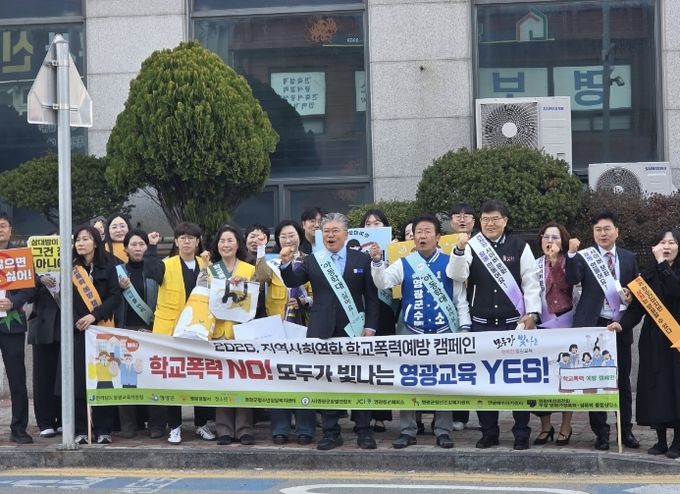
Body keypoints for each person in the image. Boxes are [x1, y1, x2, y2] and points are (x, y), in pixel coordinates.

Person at [370, 214, 471, 449]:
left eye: (427, 232)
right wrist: (377, 262)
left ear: (438, 237)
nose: (422, 236)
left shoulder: (450, 261)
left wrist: (464, 328)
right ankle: (408, 430)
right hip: (411, 331)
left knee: (443, 382)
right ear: (413, 237)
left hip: (444, 331)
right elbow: (383, 282)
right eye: (418, 232)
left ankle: (443, 430)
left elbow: (460, 298)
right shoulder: (404, 263)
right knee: (408, 381)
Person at [280, 212, 380, 451]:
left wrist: (370, 326)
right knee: (326, 380)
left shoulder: (361, 259)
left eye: (335, 231)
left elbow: (371, 297)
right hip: (322, 328)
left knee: (359, 379)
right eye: (326, 231)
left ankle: (363, 430)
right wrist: (285, 263)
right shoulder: (314, 260)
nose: (330, 235)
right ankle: (331, 432)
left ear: (346, 234)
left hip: (354, 329)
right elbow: (293, 281)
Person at [447, 199, 541, 450]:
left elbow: (531, 281)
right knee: (483, 381)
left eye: (495, 219)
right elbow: (457, 275)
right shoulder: (471, 245)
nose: (490, 224)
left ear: (505, 221)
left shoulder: (519, 246)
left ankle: (521, 432)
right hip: (481, 325)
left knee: (518, 380)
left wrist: (532, 313)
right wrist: (459, 249)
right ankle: (489, 432)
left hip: (513, 324)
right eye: (485, 219)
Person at [566, 210, 639, 451]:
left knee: (622, 382)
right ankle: (601, 433)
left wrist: (629, 298)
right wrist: (571, 254)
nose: (602, 233)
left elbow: (635, 291)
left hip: (619, 326)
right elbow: (572, 278)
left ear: (617, 231)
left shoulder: (628, 258)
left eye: (607, 229)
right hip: (593, 326)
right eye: (598, 230)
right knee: (594, 381)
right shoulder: (585, 256)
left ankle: (625, 430)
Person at [609, 227, 680, 458]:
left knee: (676, 388)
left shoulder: (670, 271)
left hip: (676, 340)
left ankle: (678, 441)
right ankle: (661, 440)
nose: (666, 247)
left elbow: (675, 290)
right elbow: (636, 310)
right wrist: (622, 325)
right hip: (652, 340)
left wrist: (662, 265)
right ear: (654, 247)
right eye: (662, 242)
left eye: (671, 242)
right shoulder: (646, 276)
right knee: (656, 388)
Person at [147, 222, 216, 445]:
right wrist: (151, 247)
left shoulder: (207, 266)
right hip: (171, 331)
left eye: (191, 238)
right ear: (176, 241)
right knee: (172, 378)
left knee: (200, 377)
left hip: (199, 330)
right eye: (182, 238)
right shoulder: (166, 264)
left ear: (198, 242)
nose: (187, 241)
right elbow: (151, 272)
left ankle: (201, 424)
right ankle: (175, 427)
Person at [255, 220, 315, 445]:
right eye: (283, 236)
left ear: (300, 236)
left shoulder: (311, 261)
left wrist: (305, 301)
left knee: (304, 377)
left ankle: (305, 428)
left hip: (303, 326)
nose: (288, 240)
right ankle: (280, 428)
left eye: (291, 235)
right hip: (277, 329)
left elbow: (317, 292)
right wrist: (261, 249)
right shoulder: (272, 262)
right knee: (279, 378)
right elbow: (260, 277)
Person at [204, 225, 258, 446]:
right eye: (222, 241)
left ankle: (245, 429)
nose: (225, 245)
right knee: (222, 381)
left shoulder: (249, 268)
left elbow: (257, 299)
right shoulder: (210, 270)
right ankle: (224, 429)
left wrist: (243, 285)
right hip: (218, 333)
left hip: (242, 332)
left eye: (230, 240)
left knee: (243, 380)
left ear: (238, 244)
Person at [69, 225, 121, 444]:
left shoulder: (109, 266)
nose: (81, 243)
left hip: (102, 329)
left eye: (86, 239)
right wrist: (78, 320)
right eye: (78, 240)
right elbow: (64, 299)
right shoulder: (71, 268)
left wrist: (94, 315)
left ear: (96, 243)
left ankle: (103, 429)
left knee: (104, 379)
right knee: (79, 381)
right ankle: (81, 429)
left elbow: (115, 296)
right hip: (79, 331)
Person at [115, 229, 166, 439]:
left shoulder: (154, 268)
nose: (138, 248)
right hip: (125, 331)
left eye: (141, 244)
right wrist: (118, 288)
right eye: (133, 245)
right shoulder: (118, 272)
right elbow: (108, 297)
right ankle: (128, 425)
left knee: (154, 379)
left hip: (152, 331)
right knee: (126, 380)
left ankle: (157, 424)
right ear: (125, 248)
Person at [532, 222, 575, 447]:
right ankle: (545, 426)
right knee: (543, 380)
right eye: (546, 236)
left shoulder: (570, 262)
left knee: (566, 378)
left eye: (555, 237)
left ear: (563, 241)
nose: (550, 241)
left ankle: (566, 426)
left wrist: (555, 262)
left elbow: (565, 285)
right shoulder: (535, 264)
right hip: (541, 325)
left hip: (565, 325)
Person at [358, 208, 396, 432]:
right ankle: (361, 415)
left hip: (385, 310)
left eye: (377, 223)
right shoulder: (354, 251)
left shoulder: (394, 249)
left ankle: (381, 415)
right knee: (362, 364)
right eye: (368, 223)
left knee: (383, 363)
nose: (372, 227)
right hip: (361, 311)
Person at [0, 213, 33, 444]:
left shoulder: (20, 256)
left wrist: (14, 302)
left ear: (11, 229)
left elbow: (31, 288)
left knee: (17, 378)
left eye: (3, 226)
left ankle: (19, 428)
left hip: (12, 325)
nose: (0, 230)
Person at [448, 202, 476, 430]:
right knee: (455, 367)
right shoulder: (443, 244)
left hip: (479, 309)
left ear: (474, 221)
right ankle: (455, 414)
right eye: (457, 215)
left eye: (467, 216)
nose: (462, 219)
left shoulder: (481, 244)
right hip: (451, 311)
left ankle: (470, 416)